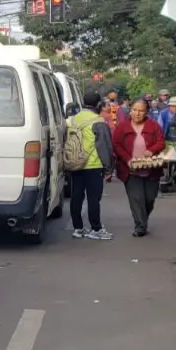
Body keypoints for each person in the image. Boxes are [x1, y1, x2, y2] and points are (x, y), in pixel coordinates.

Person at [113, 99, 165, 237]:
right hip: (130, 170)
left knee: (149, 198)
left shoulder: (154, 126)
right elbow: (116, 144)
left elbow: (161, 142)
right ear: (130, 110)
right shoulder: (122, 126)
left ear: (146, 112)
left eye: (141, 111)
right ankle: (140, 226)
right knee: (136, 199)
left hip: (151, 169)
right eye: (135, 110)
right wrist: (127, 159)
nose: (137, 113)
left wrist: (151, 150)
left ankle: (143, 219)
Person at [67, 92, 115, 240]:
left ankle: (78, 228)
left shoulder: (73, 119)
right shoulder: (98, 121)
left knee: (76, 197)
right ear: (98, 104)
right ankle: (96, 229)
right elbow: (104, 147)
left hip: (75, 163)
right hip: (93, 165)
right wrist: (109, 168)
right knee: (93, 198)